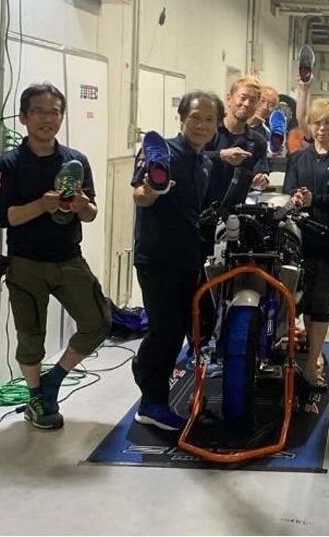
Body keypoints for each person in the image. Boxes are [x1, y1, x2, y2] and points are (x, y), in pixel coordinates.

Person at [0, 83, 110, 430]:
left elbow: (91, 214)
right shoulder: (8, 163)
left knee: (99, 324)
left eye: (54, 112)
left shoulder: (75, 161)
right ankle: (36, 398)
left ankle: (53, 381)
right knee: (30, 337)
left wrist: (81, 206)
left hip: (69, 259)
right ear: (24, 117)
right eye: (39, 111)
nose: (47, 118)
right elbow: (4, 218)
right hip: (25, 263)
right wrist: (43, 205)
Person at [130, 91, 221, 431]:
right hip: (157, 258)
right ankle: (151, 403)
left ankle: (148, 371)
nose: (202, 125)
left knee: (190, 327)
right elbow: (140, 196)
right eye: (195, 117)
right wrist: (153, 189)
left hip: (189, 258)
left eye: (209, 119)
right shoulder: (161, 153)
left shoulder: (204, 163)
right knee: (166, 331)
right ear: (181, 118)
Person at [198, 77, 269, 349]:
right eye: (242, 97)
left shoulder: (257, 141)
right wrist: (221, 156)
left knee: (230, 279)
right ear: (230, 98)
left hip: (235, 220)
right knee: (199, 283)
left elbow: (261, 171)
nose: (246, 104)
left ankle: (228, 338)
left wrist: (260, 179)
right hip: (202, 217)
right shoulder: (209, 133)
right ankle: (199, 342)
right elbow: (192, 157)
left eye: (253, 100)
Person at [282, 98, 329, 390]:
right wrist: (295, 199)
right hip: (299, 242)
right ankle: (308, 353)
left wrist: (315, 200)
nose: (322, 128)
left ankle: (311, 364)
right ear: (309, 125)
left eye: (327, 122)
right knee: (301, 301)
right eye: (317, 123)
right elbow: (288, 193)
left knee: (321, 302)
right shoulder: (297, 158)